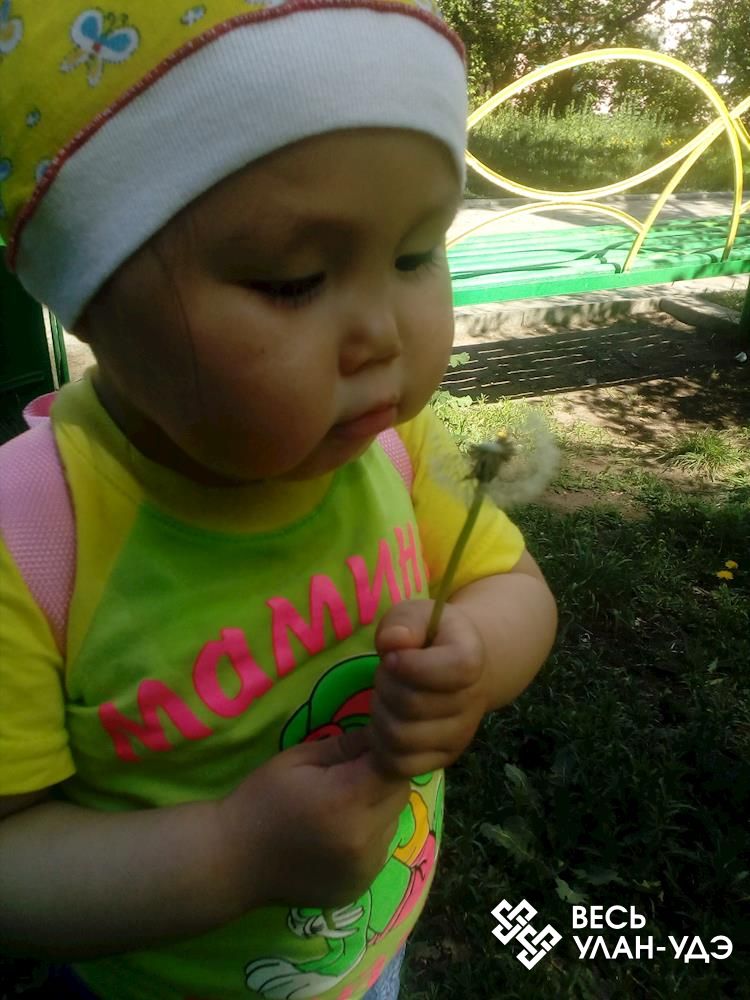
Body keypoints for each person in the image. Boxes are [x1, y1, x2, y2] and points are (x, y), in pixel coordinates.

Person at [0, 3, 558, 998]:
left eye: (417, 253)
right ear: (89, 299)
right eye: (295, 280)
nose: (383, 333)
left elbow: (514, 586)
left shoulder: (395, 448)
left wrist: (474, 661)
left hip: (365, 951)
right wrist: (233, 854)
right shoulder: (32, 540)